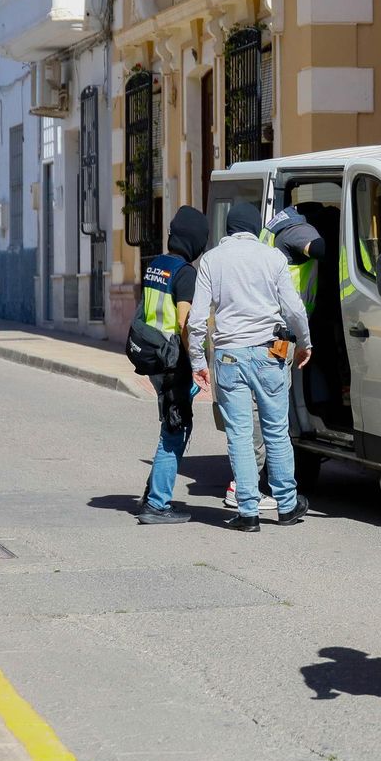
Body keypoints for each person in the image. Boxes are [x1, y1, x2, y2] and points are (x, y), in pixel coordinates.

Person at [189, 202, 313, 532]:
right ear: (257, 229)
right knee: (276, 430)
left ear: (228, 230)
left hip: (228, 356)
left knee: (240, 435)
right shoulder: (273, 258)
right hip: (271, 352)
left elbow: (198, 319)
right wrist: (305, 342)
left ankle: (248, 512)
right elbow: (294, 309)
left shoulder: (212, 260)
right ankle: (287, 505)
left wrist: (197, 361)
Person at [222, 204, 328, 511]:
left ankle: (251, 495)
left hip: (243, 344)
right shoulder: (297, 230)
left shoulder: (269, 232)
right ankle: (277, 499)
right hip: (280, 337)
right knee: (273, 423)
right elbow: (318, 250)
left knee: (249, 424)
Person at [134, 205, 208, 525]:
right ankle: (158, 504)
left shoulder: (156, 265)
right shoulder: (184, 272)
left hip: (152, 356)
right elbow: (184, 322)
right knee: (175, 427)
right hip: (172, 361)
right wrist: (197, 362)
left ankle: (153, 491)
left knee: (172, 421)